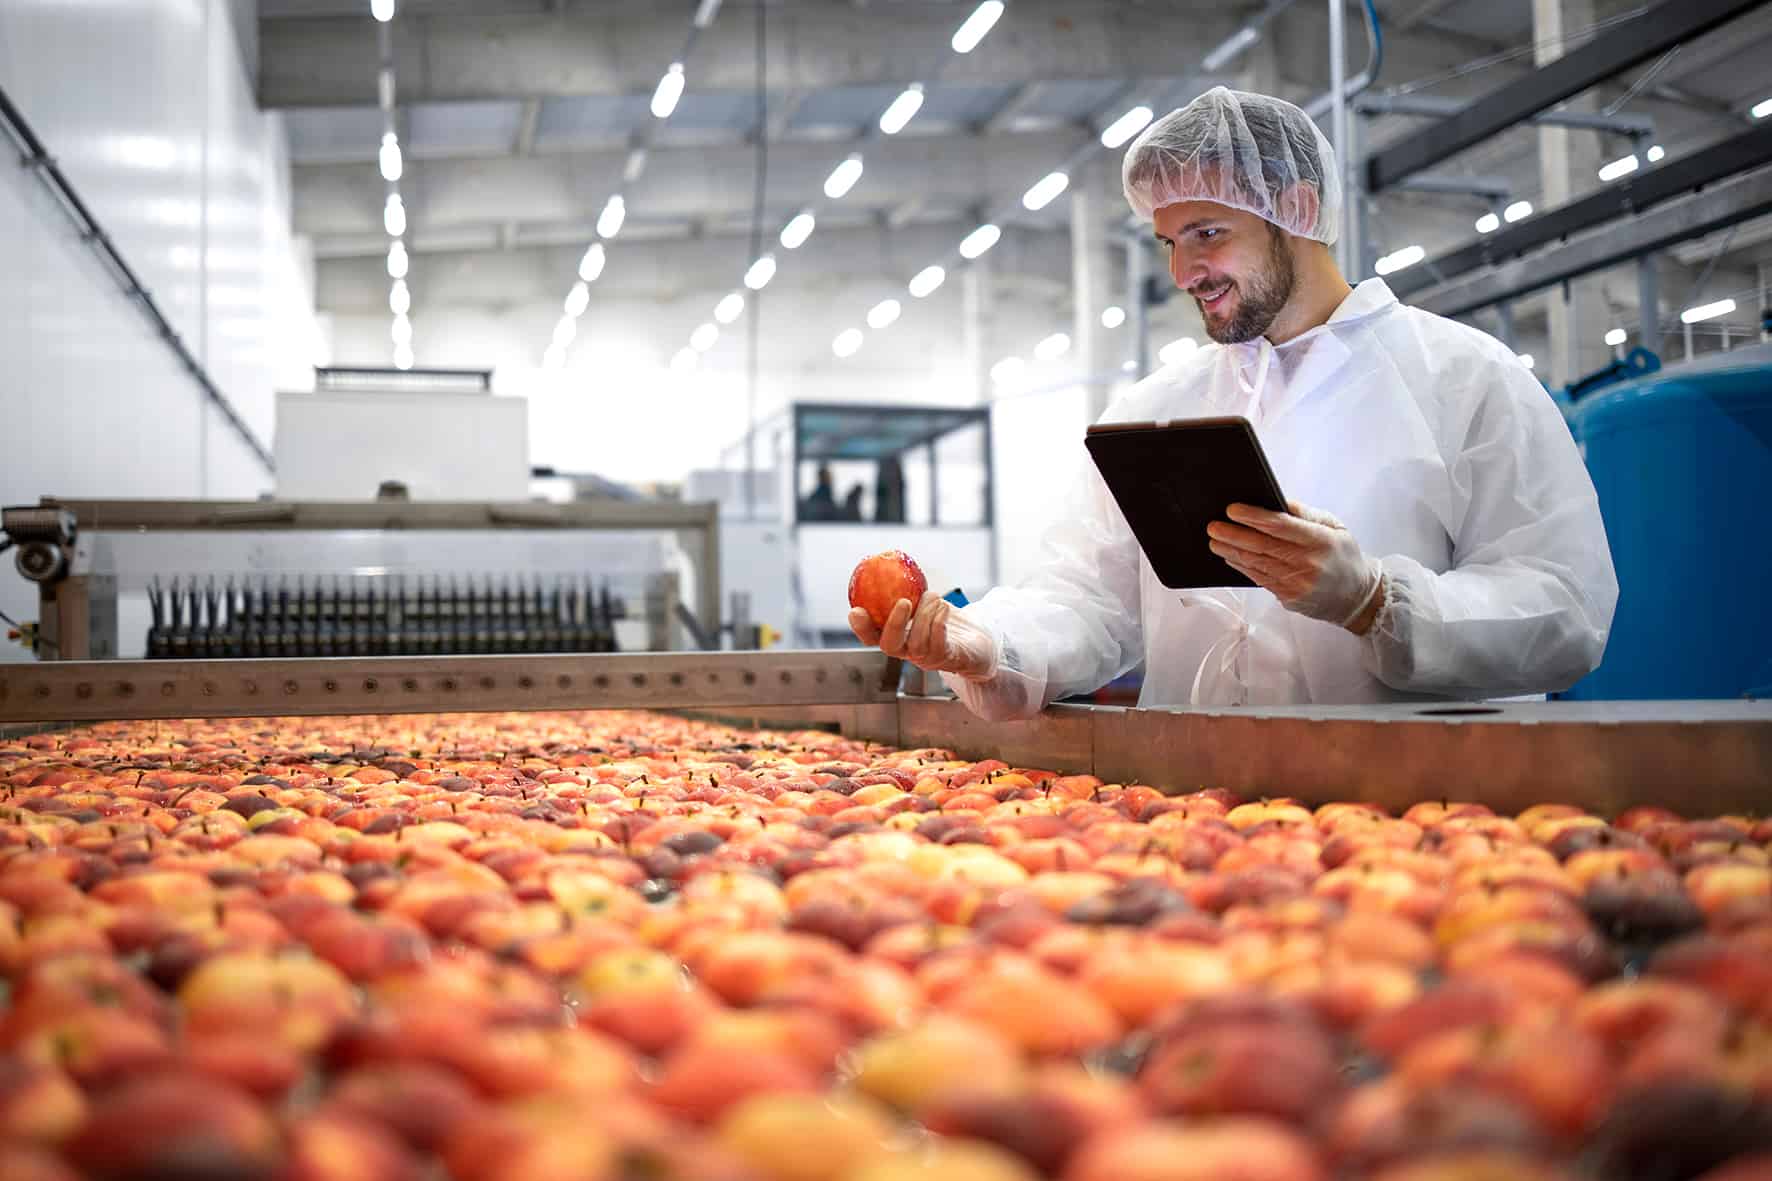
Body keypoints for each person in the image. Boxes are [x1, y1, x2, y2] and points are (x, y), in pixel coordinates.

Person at [850, 87, 1618, 720]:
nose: (1184, 270)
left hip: (1420, 818)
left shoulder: (1466, 381)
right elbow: (1084, 597)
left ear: (1298, 206)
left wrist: (1378, 601)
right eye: (1168, 241)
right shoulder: (1155, 410)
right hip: (1202, 814)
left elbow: (1565, 609)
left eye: (1208, 232)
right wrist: (987, 644)